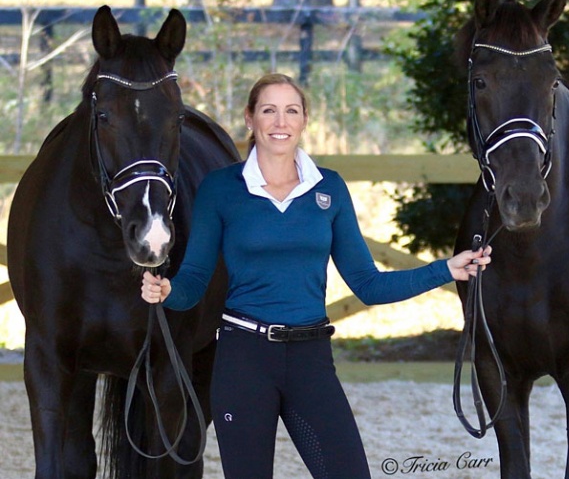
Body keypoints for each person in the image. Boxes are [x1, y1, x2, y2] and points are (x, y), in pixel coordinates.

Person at [141, 72, 491, 479]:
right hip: (244, 360)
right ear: (250, 118)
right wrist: (166, 290)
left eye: (291, 111)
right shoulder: (221, 189)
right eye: (268, 111)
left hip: (311, 359)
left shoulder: (329, 189)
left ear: (305, 119)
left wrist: (445, 269)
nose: (280, 122)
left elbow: (368, 284)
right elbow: (194, 282)